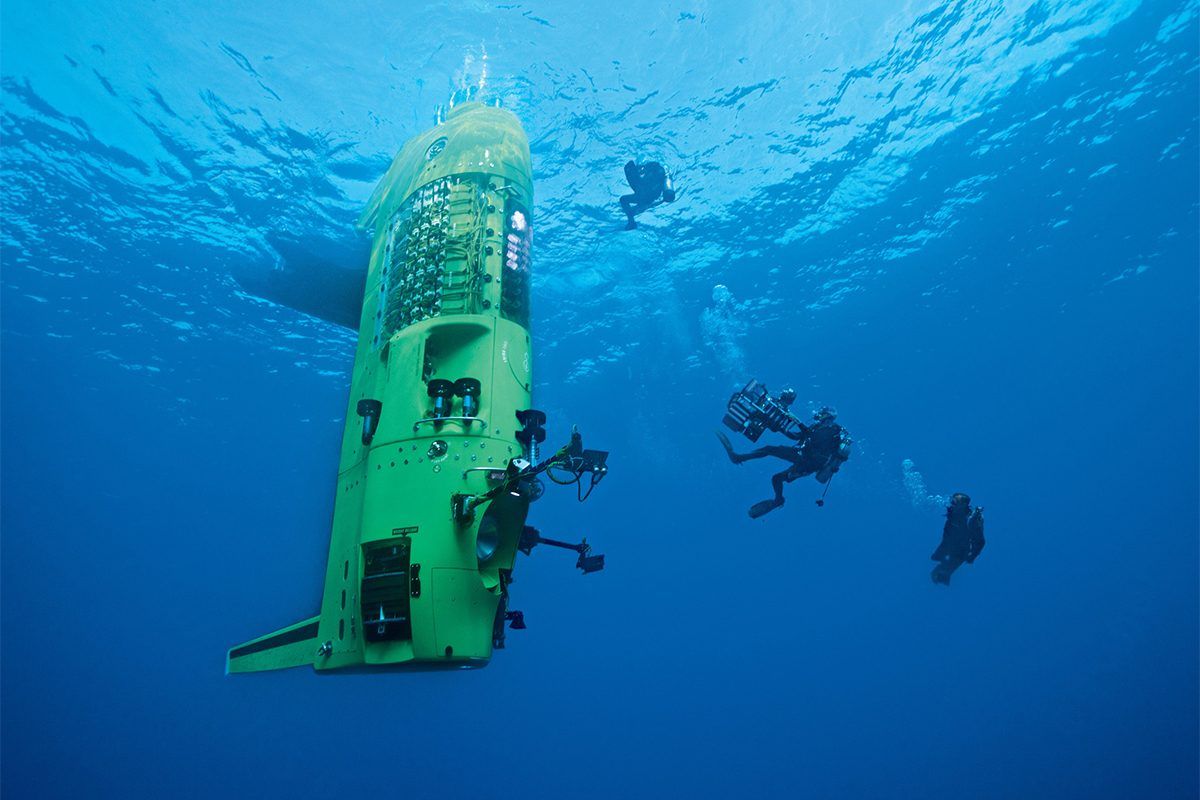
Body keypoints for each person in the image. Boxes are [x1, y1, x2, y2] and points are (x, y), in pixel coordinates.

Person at [717, 406, 852, 518]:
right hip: (802, 456)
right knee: (776, 476)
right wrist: (780, 428)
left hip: (810, 463)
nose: (819, 414)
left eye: (822, 413)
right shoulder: (816, 427)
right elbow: (796, 437)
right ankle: (778, 500)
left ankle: (738, 458)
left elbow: (814, 438)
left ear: (828, 416)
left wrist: (799, 423)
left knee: (771, 457)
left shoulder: (833, 430)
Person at [930, 493, 985, 585]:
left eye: (955, 502)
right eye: (952, 500)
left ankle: (944, 586)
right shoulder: (953, 513)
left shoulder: (972, 520)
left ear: (963, 505)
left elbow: (981, 541)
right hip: (950, 545)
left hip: (961, 551)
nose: (952, 503)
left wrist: (972, 556)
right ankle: (943, 580)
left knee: (941, 573)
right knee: (937, 571)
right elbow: (947, 533)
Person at [619, 160, 675, 230]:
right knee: (626, 202)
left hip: (643, 192)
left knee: (624, 200)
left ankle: (632, 222)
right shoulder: (661, 173)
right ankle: (632, 221)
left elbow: (668, 195)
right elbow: (668, 195)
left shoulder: (656, 171)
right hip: (647, 195)